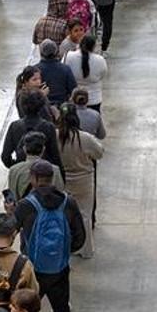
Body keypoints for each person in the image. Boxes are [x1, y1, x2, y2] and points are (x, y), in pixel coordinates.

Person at [14, 161, 87, 312]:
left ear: (34, 179)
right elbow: (80, 238)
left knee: (28, 310)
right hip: (60, 269)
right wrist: (63, 252)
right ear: (52, 178)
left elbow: (10, 230)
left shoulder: (26, 205)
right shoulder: (67, 202)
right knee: (62, 309)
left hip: (33, 270)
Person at [56, 105, 103, 255]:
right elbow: (99, 153)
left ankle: (66, 247)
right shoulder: (85, 138)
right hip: (84, 180)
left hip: (63, 180)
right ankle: (86, 249)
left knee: (64, 214)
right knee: (85, 215)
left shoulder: (55, 136)